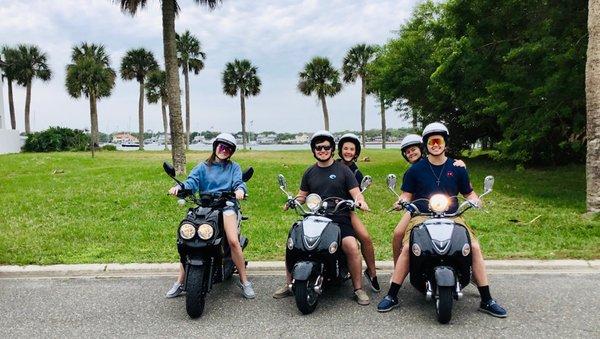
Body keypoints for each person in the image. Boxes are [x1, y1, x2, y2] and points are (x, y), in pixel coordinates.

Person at [377, 122, 507, 318]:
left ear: (445, 143)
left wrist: (475, 201)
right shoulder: (415, 170)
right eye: (431, 141)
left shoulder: (457, 167)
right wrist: (402, 201)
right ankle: (393, 294)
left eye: (439, 141)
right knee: (407, 248)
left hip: (453, 216)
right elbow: (406, 194)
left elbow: (469, 192)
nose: (435, 144)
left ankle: (487, 298)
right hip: (422, 215)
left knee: (474, 247)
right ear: (426, 144)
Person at [273, 130, 372, 305]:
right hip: (314, 216)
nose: (322, 150)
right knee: (293, 243)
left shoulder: (343, 170)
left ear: (332, 149)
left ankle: (358, 288)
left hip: (339, 216)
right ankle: (289, 284)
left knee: (350, 245)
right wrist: (292, 200)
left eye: (326, 147)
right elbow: (302, 195)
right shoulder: (310, 172)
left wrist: (360, 202)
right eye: (318, 147)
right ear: (314, 150)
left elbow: (357, 193)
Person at [166, 133, 255, 299]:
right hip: (205, 206)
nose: (224, 151)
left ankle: (244, 281)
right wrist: (180, 188)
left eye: (228, 149)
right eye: (221, 147)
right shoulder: (202, 167)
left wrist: (240, 190)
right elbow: (192, 182)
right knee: (188, 241)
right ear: (215, 147)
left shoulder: (234, 167)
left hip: (226, 206)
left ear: (232, 152)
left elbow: (239, 182)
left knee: (234, 242)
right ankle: (179, 282)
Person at [391, 134, 466, 266]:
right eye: (407, 152)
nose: (411, 153)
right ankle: (398, 266)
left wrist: (460, 164)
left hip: (442, 208)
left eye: (413, 149)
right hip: (416, 209)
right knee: (398, 233)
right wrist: (400, 202)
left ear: (422, 148)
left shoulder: (435, 163)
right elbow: (406, 194)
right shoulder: (412, 171)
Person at [337, 133, 380, 292]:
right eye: (345, 148)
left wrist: (360, 202)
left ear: (356, 152)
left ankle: (372, 272)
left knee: (365, 238)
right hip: (326, 210)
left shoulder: (356, 173)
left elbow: (358, 194)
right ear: (340, 150)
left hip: (346, 211)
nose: (348, 151)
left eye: (351, 149)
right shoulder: (332, 165)